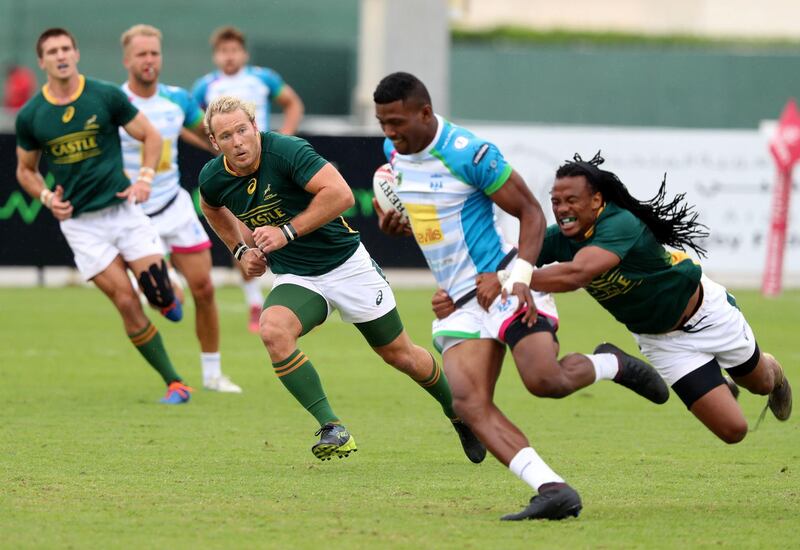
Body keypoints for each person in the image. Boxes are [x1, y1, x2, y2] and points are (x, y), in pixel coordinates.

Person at [372, 72, 668, 521]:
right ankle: (552, 489)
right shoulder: (394, 153)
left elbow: (530, 213)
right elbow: (424, 214)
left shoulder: (470, 154)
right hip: (458, 301)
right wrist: (394, 222)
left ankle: (611, 362)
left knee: (544, 381)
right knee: (468, 403)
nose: (390, 133)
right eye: (382, 124)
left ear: (425, 113)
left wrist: (519, 278)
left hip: (507, 283)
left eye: (397, 122)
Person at [197, 95, 484, 462]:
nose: (237, 142)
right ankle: (332, 427)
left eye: (242, 130)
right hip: (297, 276)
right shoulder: (214, 177)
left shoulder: (285, 151)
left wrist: (286, 231)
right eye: (226, 136)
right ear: (213, 142)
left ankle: (459, 413)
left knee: (400, 355)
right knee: (273, 331)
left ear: (255, 126)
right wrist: (240, 251)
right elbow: (211, 205)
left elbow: (342, 194)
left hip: (347, 265)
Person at [436, 152, 792, 444]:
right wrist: (458, 292)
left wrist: (507, 280)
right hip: (661, 341)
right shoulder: (559, 236)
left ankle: (773, 371)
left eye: (571, 200)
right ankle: (704, 378)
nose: (562, 209)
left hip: (706, 314)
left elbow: (577, 274)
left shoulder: (620, 224)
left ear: (597, 200)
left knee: (759, 383)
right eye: (556, 201)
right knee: (734, 431)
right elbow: (508, 260)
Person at [15, 27, 192, 404]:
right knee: (127, 303)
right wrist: (46, 197)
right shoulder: (32, 115)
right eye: (52, 51)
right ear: (42, 61)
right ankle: (175, 382)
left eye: (66, 48)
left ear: (76, 53)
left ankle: (168, 293)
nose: (61, 55)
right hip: (81, 225)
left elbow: (152, 136)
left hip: (123, 212)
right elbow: (25, 171)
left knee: (162, 298)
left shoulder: (105, 95)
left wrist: (144, 178)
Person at [119, 24, 241, 393]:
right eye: (141, 54)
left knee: (204, 289)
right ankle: (164, 286)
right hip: (132, 214)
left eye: (154, 53)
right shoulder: (113, 103)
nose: (149, 60)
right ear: (127, 60)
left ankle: (213, 374)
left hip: (174, 205)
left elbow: (212, 136)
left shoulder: (178, 100)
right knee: (164, 300)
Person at [192, 25, 305, 333]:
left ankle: (302, 294)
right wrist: (216, 148)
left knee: (294, 227)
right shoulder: (205, 86)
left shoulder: (262, 77)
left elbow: (293, 103)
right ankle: (255, 302)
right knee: (244, 237)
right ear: (216, 56)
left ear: (243, 53)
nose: (229, 57)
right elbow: (190, 120)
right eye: (223, 51)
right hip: (235, 173)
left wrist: (286, 139)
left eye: (234, 50)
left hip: (270, 166)